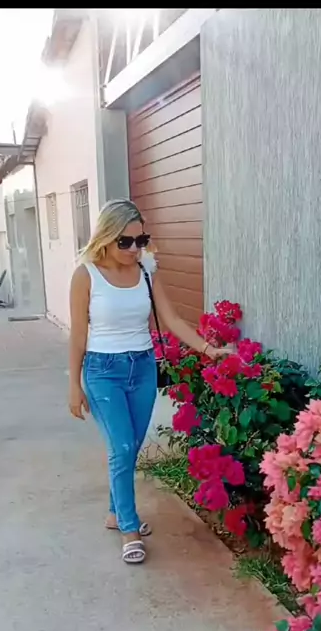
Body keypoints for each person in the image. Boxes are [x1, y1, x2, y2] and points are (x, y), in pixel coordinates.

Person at [69, 198, 228, 565]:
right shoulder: (86, 276)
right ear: (106, 237)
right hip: (102, 371)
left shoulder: (145, 271)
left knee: (130, 448)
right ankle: (129, 528)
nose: (134, 249)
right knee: (123, 447)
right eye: (125, 241)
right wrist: (74, 384)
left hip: (142, 368)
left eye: (141, 240)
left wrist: (208, 349)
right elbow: (78, 335)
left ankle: (115, 512)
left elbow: (171, 319)